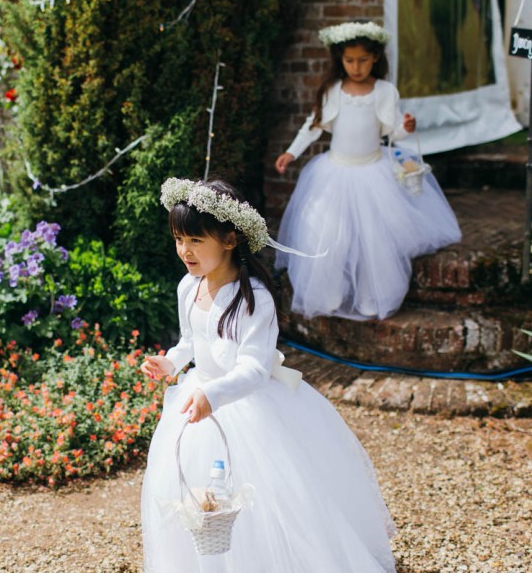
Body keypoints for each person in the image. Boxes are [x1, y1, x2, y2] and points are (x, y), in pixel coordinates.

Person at [140, 178, 396, 573]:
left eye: (195, 240)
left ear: (229, 240)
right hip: (197, 400)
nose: (184, 251)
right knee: (198, 498)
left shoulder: (252, 297)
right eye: (178, 239)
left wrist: (215, 394)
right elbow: (191, 338)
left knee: (267, 499)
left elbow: (255, 368)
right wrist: (171, 363)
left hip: (246, 405)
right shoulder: (188, 287)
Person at [274, 21, 461, 321]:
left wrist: (405, 127)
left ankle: (371, 293)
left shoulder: (384, 91)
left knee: (374, 240)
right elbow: (313, 125)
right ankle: (330, 289)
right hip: (335, 174)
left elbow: (391, 132)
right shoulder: (333, 90)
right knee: (331, 236)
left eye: (363, 60)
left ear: (375, 57)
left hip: (374, 171)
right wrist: (291, 152)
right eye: (349, 60)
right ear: (340, 60)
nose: (356, 67)